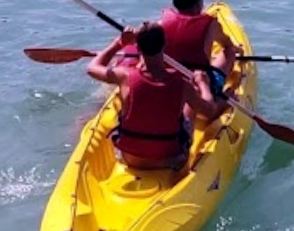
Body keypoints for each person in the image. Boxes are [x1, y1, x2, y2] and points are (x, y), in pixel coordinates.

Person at [87, 22, 220, 174]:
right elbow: (210, 111)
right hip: (170, 159)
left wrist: (118, 43)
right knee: (190, 104)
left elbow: (92, 68)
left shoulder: (124, 76)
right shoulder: (182, 84)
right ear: (164, 45)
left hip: (129, 157)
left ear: (137, 48)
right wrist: (203, 84)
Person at [157, 0, 240, 95]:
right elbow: (227, 44)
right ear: (198, 3)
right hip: (199, 84)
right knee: (230, 52)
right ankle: (218, 93)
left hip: (169, 80)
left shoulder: (162, 23)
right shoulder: (210, 24)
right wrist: (237, 49)